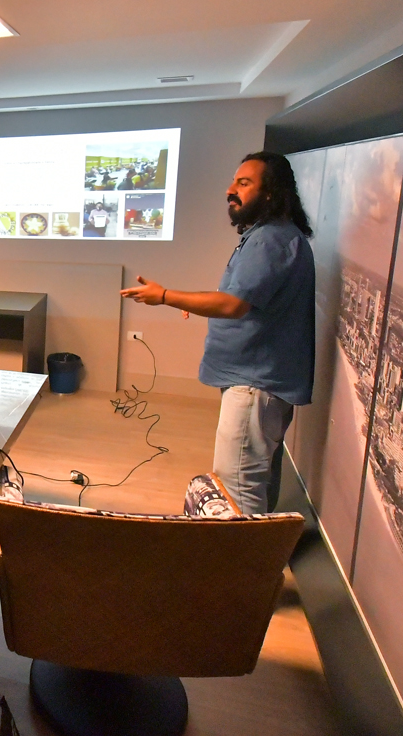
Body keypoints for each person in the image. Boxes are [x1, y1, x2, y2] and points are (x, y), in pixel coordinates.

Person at [121, 152, 315, 514]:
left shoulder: (269, 240)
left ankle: (243, 568)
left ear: (271, 193)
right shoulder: (274, 235)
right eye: (233, 182)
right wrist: (191, 301)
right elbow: (243, 298)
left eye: (244, 183)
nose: (231, 190)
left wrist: (163, 296)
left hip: (255, 385)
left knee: (237, 487)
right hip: (263, 382)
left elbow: (233, 304)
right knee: (256, 477)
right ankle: (262, 562)